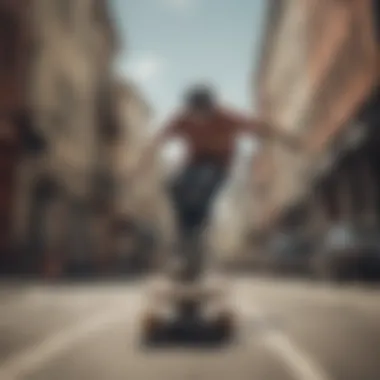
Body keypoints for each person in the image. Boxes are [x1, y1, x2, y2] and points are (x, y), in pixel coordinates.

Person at [133, 83, 301, 280]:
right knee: (174, 186)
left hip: (219, 167)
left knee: (202, 186)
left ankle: (197, 230)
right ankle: (187, 235)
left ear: (211, 108)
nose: (200, 120)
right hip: (193, 164)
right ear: (190, 110)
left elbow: (261, 127)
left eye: (204, 114)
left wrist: (290, 140)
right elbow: (157, 141)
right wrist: (139, 166)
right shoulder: (182, 119)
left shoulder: (226, 118)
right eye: (196, 115)